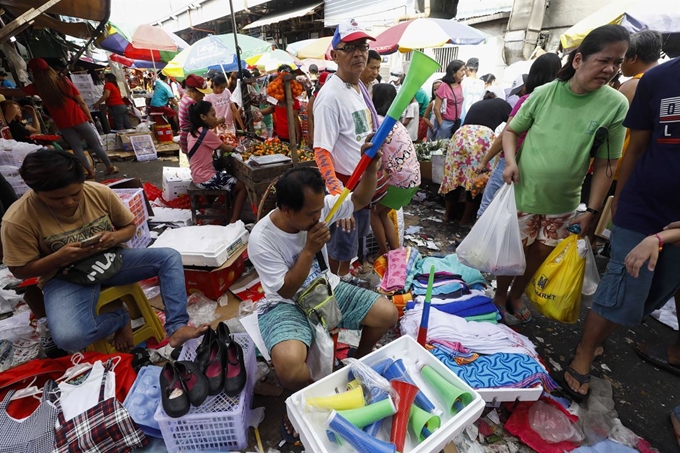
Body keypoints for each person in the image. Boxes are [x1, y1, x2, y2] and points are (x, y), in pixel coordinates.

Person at [0, 150, 207, 352]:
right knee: (68, 339)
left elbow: (130, 227)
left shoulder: (98, 192)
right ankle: (119, 318)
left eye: (75, 194)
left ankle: (177, 326)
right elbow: (20, 270)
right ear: (35, 191)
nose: (69, 202)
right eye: (57, 199)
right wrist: (58, 258)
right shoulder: (18, 219)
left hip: (111, 260)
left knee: (169, 257)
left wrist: (114, 237)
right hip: (64, 276)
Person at [248, 162, 398, 436]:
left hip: (326, 287)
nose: (319, 217)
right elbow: (284, 290)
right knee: (290, 368)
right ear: (286, 210)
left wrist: (371, 168)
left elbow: (360, 199)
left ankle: (357, 359)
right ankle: (317, 391)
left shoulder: (317, 209)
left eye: (320, 209)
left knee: (388, 313)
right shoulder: (262, 238)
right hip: (285, 304)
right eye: (311, 213)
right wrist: (308, 251)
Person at [563, 55, 680, 401]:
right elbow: (635, 148)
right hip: (644, 207)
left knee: (654, 291)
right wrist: (619, 196)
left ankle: (600, 338)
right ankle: (584, 352)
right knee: (624, 282)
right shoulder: (659, 80)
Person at [497, 25, 630, 324]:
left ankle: (515, 295)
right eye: (604, 60)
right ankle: (498, 294)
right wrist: (510, 162)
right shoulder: (544, 93)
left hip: (563, 202)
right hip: (523, 193)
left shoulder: (616, 105)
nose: (610, 69)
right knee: (512, 253)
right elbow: (512, 131)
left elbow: (608, 164)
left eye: (618, 63)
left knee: (539, 255)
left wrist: (593, 211)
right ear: (579, 59)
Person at [313, 19, 378, 280]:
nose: (359, 53)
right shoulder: (330, 97)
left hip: (361, 186)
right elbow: (321, 151)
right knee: (340, 252)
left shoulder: (358, 86)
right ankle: (337, 291)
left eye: (362, 46)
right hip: (344, 188)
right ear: (335, 55)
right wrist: (339, 201)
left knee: (353, 247)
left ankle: (345, 281)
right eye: (350, 48)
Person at [475, 53, 562, 218]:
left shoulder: (529, 100)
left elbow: (505, 136)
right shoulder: (560, 104)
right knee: (515, 212)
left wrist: (484, 162)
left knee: (488, 207)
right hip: (538, 166)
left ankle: (479, 243)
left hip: (511, 161)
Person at [0, 58, 118, 179]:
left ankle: (90, 171)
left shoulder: (37, 87)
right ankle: (109, 166)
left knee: (76, 146)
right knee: (95, 143)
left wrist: (1, 90)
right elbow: (81, 101)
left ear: (33, 71)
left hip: (62, 121)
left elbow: (17, 93)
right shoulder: (63, 80)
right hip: (78, 116)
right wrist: (89, 117)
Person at [438, 87, 508, 226]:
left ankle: (447, 215)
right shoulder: (503, 104)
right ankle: (464, 220)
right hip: (482, 139)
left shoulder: (477, 104)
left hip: (461, 136)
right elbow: (513, 126)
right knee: (475, 180)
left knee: (453, 177)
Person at [370, 83, 421, 255]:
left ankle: (385, 255)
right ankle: (395, 254)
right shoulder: (396, 123)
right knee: (382, 214)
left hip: (398, 180)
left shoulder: (378, 121)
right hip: (413, 180)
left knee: (373, 213)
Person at [185, 101, 247, 223]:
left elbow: (213, 125)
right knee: (242, 187)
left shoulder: (193, 132)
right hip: (205, 178)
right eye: (213, 115)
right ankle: (233, 221)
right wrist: (241, 149)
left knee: (229, 179)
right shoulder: (207, 134)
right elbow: (228, 148)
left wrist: (218, 121)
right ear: (203, 117)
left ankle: (227, 209)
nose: (215, 118)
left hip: (197, 175)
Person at [178, 74, 212, 154]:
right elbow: (199, 122)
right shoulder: (191, 102)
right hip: (190, 137)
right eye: (201, 93)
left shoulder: (185, 97)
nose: (204, 95)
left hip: (186, 136)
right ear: (193, 91)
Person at [433, 60, 465, 140]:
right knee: (440, 149)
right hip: (446, 123)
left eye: (464, 70)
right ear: (453, 73)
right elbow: (436, 108)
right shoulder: (444, 86)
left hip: (456, 122)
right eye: (461, 70)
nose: (464, 73)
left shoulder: (459, 85)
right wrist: (442, 124)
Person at [306, 71, 332, 149]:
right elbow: (310, 118)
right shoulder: (314, 98)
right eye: (322, 85)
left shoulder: (333, 97)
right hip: (319, 134)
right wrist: (311, 137)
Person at [461, 57, 485, 122]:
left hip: (463, 116)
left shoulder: (464, 81)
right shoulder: (482, 83)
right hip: (476, 116)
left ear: (468, 68)